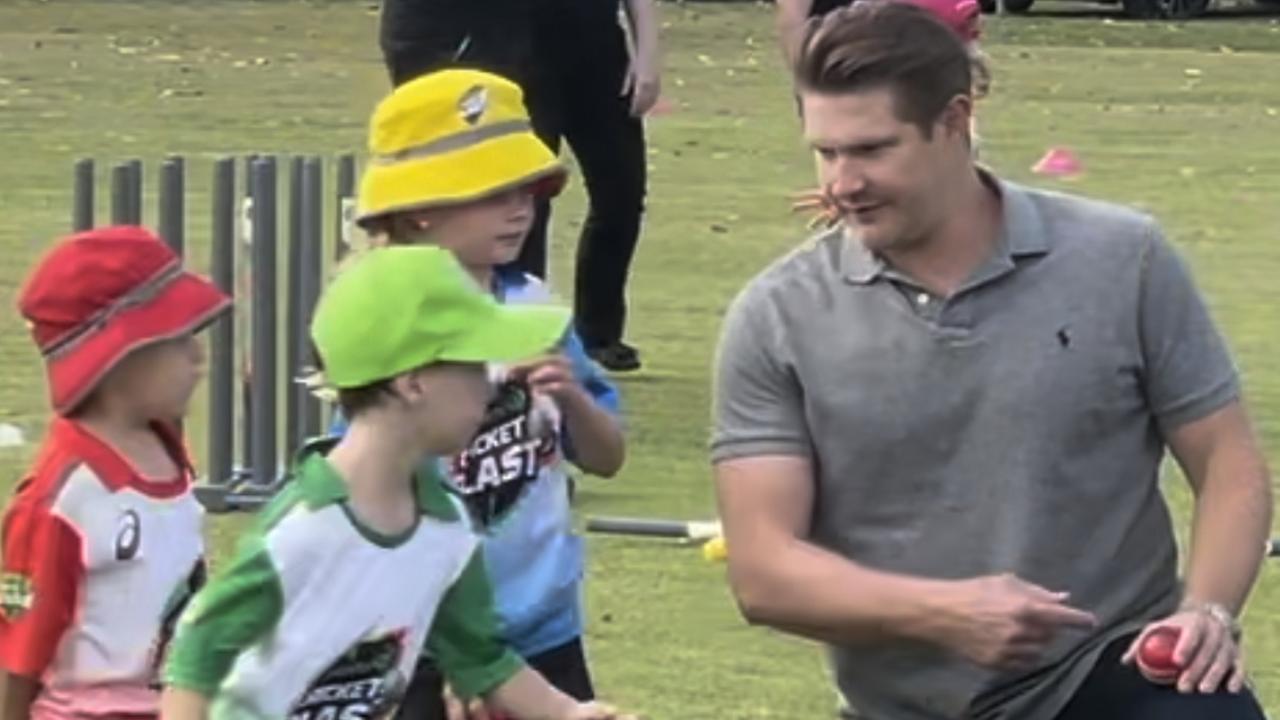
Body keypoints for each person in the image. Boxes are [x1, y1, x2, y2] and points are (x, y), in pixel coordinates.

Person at [710, 4, 1273, 719]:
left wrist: (1208, 613)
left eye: (873, 150)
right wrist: (945, 613)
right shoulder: (777, 316)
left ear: (954, 121)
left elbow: (1229, 464)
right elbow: (764, 573)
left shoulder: (1122, 258)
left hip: (1116, 671)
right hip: (908, 705)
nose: (842, 183)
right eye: (826, 152)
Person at [161, 246, 631, 720]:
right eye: (472, 367)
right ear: (413, 383)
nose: (490, 387)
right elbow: (199, 650)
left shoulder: (448, 524)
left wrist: (569, 712)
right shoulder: (303, 528)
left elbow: (481, 660)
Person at [343, 67, 627, 720]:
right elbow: (364, 497)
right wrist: (452, 647)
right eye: (491, 193)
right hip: (422, 640)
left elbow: (608, 457)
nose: (520, 208)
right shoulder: (382, 328)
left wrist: (574, 398)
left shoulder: (537, 310)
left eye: (525, 188)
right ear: (420, 207)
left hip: (546, 630)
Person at [0, 226, 231, 720]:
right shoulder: (65, 499)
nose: (198, 356)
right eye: (178, 339)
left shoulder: (169, 451)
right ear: (117, 359)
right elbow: (18, 657)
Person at [377, 0, 660, 373]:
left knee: (621, 195)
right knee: (527, 200)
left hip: (598, 50)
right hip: (522, 49)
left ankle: (599, 332)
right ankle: (525, 330)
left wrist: (649, 57)